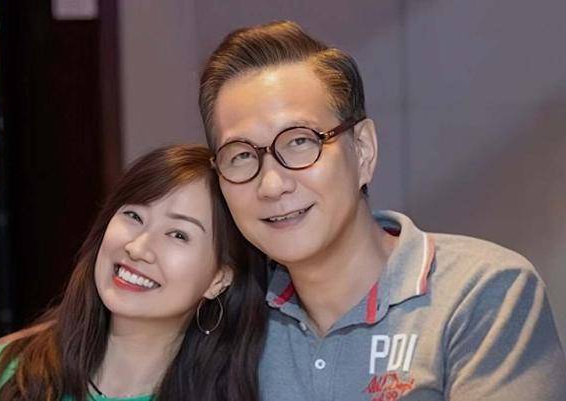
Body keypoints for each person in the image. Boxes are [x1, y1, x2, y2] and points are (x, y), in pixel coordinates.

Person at [199, 21, 566, 400]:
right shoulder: (226, 321)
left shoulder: (480, 292)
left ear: (363, 150)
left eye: (299, 142)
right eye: (241, 156)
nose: (272, 185)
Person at [0, 144, 267, 401]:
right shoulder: (9, 378)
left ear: (219, 279)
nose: (137, 247)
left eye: (178, 234)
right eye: (134, 216)